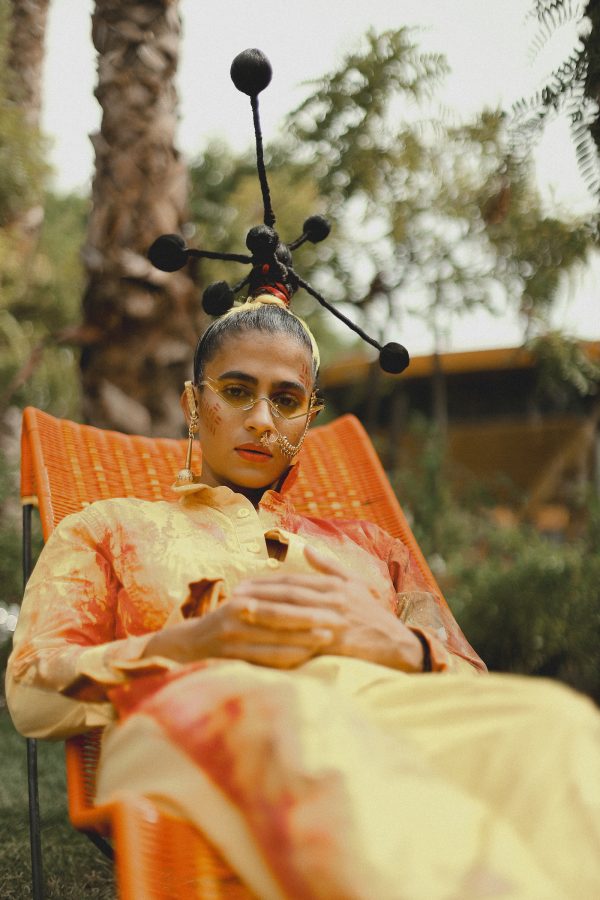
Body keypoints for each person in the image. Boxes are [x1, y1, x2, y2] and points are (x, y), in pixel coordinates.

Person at [6, 295, 600, 899]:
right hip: (213, 718)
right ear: (193, 405)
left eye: (286, 401)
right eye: (237, 392)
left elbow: (472, 685)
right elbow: (32, 690)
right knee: (314, 741)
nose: (263, 420)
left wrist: (404, 647)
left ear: (307, 418)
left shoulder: (372, 547)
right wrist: (185, 645)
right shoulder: (109, 528)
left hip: (383, 716)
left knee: (558, 725)